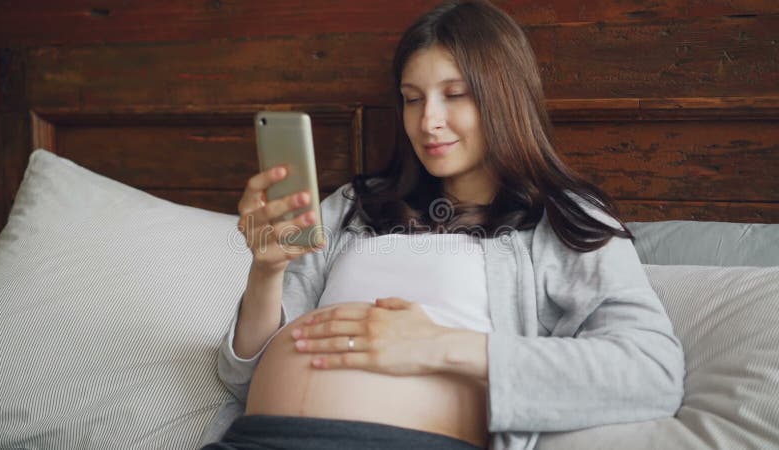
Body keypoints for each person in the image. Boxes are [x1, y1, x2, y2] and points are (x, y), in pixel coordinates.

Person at [204, 1, 685, 449]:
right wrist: (266, 273)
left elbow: (651, 371)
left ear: (505, 99)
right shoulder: (355, 205)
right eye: (413, 99)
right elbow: (241, 375)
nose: (428, 121)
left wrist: (440, 347)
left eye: (455, 94)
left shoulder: (564, 219)